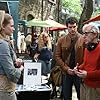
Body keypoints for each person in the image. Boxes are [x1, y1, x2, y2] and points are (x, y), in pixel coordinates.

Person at [55, 17, 84, 100]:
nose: (72, 29)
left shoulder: (83, 39)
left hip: (79, 72)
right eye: (70, 27)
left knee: (81, 96)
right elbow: (57, 56)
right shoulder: (61, 40)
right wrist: (66, 68)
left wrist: (79, 68)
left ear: (77, 26)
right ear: (67, 27)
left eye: (74, 27)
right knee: (66, 96)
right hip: (66, 72)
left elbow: (86, 56)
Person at [0, 10, 24, 100]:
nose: (13, 29)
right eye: (12, 26)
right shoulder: (3, 44)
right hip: (5, 92)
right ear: (3, 26)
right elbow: (11, 74)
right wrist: (20, 69)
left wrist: (14, 62)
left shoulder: (4, 43)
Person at [74, 23, 100, 100]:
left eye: (86, 33)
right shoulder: (87, 48)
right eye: (83, 33)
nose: (83, 36)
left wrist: (88, 74)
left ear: (95, 34)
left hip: (96, 88)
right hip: (84, 85)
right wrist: (78, 68)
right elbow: (85, 64)